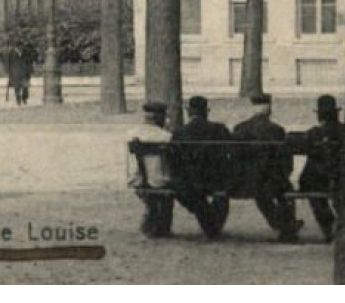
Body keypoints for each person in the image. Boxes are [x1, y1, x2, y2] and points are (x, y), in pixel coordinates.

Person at [232, 92, 303, 242]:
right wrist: (284, 174)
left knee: (262, 191)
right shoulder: (276, 130)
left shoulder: (240, 129)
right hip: (270, 181)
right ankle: (286, 226)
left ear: (253, 109)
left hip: (244, 181)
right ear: (269, 109)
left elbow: (235, 157)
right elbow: (285, 159)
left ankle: (282, 224)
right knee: (284, 189)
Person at [172, 95, 232, 238]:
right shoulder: (220, 129)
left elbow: (174, 160)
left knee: (191, 196)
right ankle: (212, 227)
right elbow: (230, 152)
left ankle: (210, 225)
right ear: (207, 110)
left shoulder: (179, 133)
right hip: (216, 179)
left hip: (189, 181)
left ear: (188, 111)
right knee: (221, 195)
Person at [296, 94, 343, 241]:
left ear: (320, 115)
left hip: (317, 180)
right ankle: (341, 221)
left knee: (310, 187)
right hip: (342, 177)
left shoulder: (313, 133)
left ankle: (327, 224)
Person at [128, 101, 175, 237]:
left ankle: (152, 219)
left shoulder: (131, 134)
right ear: (159, 117)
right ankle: (163, 227)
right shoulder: (166, 137)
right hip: (160, 181)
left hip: (137, 180)